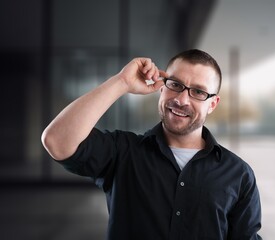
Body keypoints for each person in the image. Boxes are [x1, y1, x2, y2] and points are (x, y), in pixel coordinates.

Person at [41, 49, 262, 239]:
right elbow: (56, 140)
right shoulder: (123, 153)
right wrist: (123, 82)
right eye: (175, 84)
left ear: (212, 104)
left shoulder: (239, 175)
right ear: (161, 87)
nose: (181, 100)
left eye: (198, 92)